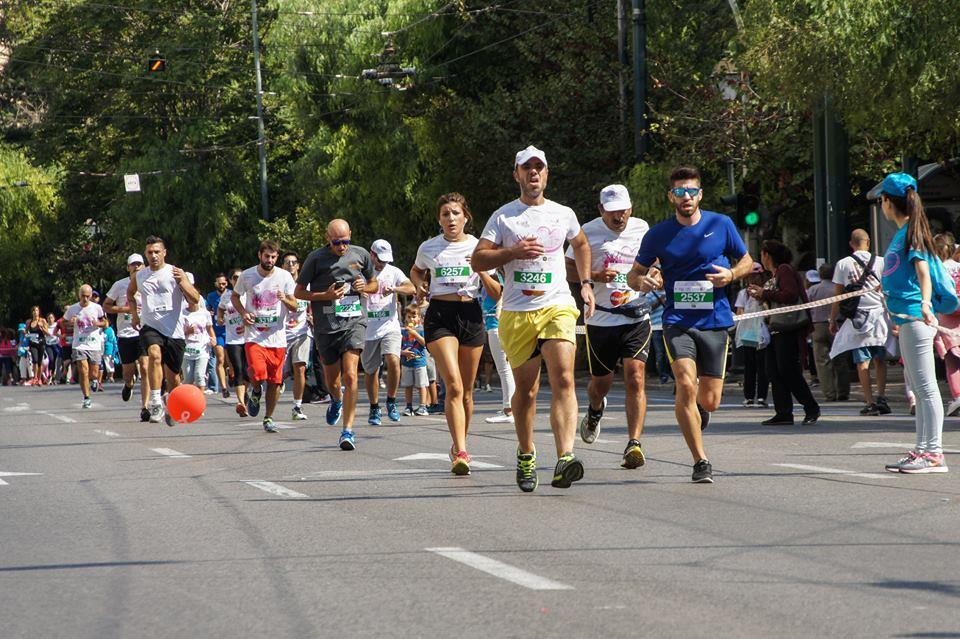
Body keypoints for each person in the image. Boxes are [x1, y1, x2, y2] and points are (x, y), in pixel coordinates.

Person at [472, 145, 596, 492]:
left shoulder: (563, 213)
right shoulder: (503, 217)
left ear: (546, 173)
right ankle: (526, 453)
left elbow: (582, 245)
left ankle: (565, 457)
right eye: (527, 168)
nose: (533, 173)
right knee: (526, 391)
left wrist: (585, 284)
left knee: (565, 379)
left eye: (539, 167)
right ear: (517, 174)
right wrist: (512, 252)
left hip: (557, 305)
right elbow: (477, 260)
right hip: (517, 312)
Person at [628, 165, 754, 483]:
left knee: (709, 399)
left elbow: (747, 260)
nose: (686, 197)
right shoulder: (657, 234)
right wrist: (645, 281)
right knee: (685, 383)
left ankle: (700, 409)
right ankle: (700, 461)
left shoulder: (721, 224)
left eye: (692, 191)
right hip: (677, 321)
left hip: (714, 321)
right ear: (672, 196)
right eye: (680, 192)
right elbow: (634, 275)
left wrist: (731, 275)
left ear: (700, 194)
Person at [412, 192, 501, 475]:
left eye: (455, 213)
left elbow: (496, 292)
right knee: (453, 384)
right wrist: (419, 285)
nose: (451, 219)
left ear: (466, 217)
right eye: (445, 214)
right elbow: (416, 271)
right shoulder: (429, 247)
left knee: (466, 392)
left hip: (471, 315)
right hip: (440, 316)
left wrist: (481, 270)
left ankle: (459, 443)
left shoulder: (480, 246)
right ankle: (461, 451)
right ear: (439, 219)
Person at [566, 184, 654, 469]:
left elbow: (656, 264)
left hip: (636, 316)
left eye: (624, 210)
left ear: (631, 208)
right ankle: (595, 410)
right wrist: (593, 275)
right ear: (601, 210)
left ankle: (634, 444)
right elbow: (565, 267)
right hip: (601, 318)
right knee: (600, 384)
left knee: (635, 376)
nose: (619, 217)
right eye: (613, 212)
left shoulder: (642, 228)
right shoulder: (586, 232)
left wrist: (656, 277)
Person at [879, 173, 950, 473]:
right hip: (907, 319)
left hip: (916, 318)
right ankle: (922, 450)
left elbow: (923, 272)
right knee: (920, 390)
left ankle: (933, 453)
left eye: (882, 200)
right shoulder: (904, 233)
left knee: (926, 387)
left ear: (888, 202)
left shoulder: (912, 234)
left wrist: (923, 304)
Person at [295, 219, 378, 450]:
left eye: (345, 241)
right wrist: (325, 295)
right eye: (336, 242)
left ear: (350, 235)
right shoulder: (316, 258)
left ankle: (347, 431)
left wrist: (365, 288)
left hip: (354, 322)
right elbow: (299, 292)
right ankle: (336, 399)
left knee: (351, 375)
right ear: (327, 238)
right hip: (327, 327)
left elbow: (374, 284)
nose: (342, 246)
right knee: (333, 380)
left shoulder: (361, 255)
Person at [128, 235, 201, 425]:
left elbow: (195, 299)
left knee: (174, 379)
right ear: (146, 254)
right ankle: (154, 400)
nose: (153, 256)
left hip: (174, 332)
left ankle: (171, 404)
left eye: (157, 252)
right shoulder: (140, 275)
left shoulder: (175, 273)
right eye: (150, 252)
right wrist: (135, 315)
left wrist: (183, 282)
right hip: (150, 327)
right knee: (154, 355)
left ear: (164, 253)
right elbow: (130, 293)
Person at [748, 239, 820, 426]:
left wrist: (764, 293)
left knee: (788, 370)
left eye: (763, 254)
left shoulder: (785, 270)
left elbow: (790, 294)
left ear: (768, 255)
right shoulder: (774, 275)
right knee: (774, 371)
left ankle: (811, 406)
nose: (761, 258)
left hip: (788, 328)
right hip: (775, 329)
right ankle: (783, 412)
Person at [232, 240, 299, 433]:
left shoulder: (285, 276)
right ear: (260, 255)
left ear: (277, 257)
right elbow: (236, 297)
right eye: (266, 256)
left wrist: (284, 298)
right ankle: (254, 390)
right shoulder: (247, 275)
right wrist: (244, 313)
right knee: (257, 371)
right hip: (254, 335)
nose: (270, 260)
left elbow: (295, 305)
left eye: (273, 257)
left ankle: (268, 417)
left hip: (277, 338)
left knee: (275, 381)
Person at [829, 229, 889, 415]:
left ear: (851, 244)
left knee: (862, 362)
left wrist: (833, 319)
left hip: (857, 318)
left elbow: (838, 295)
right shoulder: (882, 262)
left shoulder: (843, 264)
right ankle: (881, 397)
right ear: (868, 242)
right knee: (880, 359)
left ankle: (869, 401)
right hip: (880, 316)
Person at [361, 240, 415, 425]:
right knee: (371, 370)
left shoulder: (394, 271)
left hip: (389, 325)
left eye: (386, 260)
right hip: (367, 328)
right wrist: (361, 291)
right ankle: (374, 407)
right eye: (379, 259)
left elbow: (411, 288)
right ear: (372, 254)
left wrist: (396, 288)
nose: (382, 263)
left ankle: (391, 401)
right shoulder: (361, 271)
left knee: (393, 359)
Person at [104, 253, 151, 421]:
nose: (136, 267)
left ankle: (145, 407)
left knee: (145, 368)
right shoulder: (120, 285)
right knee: (128, 371)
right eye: (133, 264)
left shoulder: (149, 282)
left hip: (145, 331)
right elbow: (106, 306)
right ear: (128, 268)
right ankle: (129, 384)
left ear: (144, 266)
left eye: (139, 264)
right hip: (125, 333)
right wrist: (125, 310)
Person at [277, 252, 314, 421]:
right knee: (277, 374)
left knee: (300, 368)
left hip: (302, 332)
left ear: (298, 266)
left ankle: (297, 407)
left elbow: (312, 303)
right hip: (281, 333)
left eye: (293, 262)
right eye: (287, 262)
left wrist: (313, 317)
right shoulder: (277, 284)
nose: (291, 265)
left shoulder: (305, 286)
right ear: (283, 266)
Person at [806, 262, 850, 402]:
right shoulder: (838, 289)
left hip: (817, 325)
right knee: (840, 359)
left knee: (822, 361)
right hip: (837, 325)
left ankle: (829, 393)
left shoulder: (813, 290)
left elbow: (807, 308)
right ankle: (842, 391)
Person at [63, 284, 108, 408]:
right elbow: (63, 322)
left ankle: (94, 380)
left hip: (94, 344)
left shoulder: (97, 308)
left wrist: (98, 323)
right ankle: (86, 398)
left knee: (94, 373)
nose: (86, 299)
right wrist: (70, 322)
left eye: (88, 296)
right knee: (83, 370)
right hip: (79, 344)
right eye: (83, 296)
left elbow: (106, 323)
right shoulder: (72, 309)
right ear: (79, 295)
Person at [481, 273, 516, 424]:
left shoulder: (493, 276)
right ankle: (510, 408)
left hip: (496, 326)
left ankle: (509, 410)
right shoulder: (494, 276)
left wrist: (498, 311)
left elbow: (500, 294)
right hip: (494, 326)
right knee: (506, 368)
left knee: (504, 369)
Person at [932, 233, 960, 417]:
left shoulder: (935, 269)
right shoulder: (959, 267)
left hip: (945, 316)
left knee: (952, 362)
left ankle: (958, 395)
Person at [734, 263, 770, 407]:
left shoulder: (764, 292)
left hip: (755, 331)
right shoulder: (744, 293)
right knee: (757, 366)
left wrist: (759, 298)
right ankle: (756, 397)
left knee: (754, 366)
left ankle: (754, 397)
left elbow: (739, 313)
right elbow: (740, 312)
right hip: (753, 331)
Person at [218, 268, 249, 416]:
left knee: (249, 371)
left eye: (240, 277)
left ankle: (247, 392)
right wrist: (219, 318)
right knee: (238, 369)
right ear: (230, 280)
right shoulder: (227, 295)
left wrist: (247, 324)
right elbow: (220, 309)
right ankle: (241, 402)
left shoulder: (249, 293)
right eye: (235, 277)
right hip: (232, 339)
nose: (238, 280)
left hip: (249, 338)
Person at [400, 305, 430, 416]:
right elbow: (397, 346)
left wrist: (414, 333)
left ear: (419, 318)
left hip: (419, 362)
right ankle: (409, 406)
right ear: (405, 318)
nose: (411, 319)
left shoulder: (421, 330)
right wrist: (403, 352)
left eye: (414, 316)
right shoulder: (402, 331)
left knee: (421, 385)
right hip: (406, 362)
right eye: (409, 317)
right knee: (408, 385)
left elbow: (425, 343)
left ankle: (423, 406)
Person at [181, 300, 216, 392]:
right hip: (187, 350)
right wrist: (187, 332)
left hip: (202, 349)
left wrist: (213, 339)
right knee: (188, 379)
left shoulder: (205, 313)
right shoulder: (182, 313)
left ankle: (200, 403)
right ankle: (187, 402)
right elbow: (177, 332)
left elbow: (209, 328)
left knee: (199, 376)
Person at [205, 273, 230, 398]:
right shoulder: (211, 296)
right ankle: (224, 388)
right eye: (219, 283)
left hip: (231, 332)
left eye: (224, 283)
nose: (222, 286)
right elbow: (206, 310)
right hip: (217, 332)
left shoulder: (231, 294)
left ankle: (230, 374)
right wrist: (208, 312)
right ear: (216, 284)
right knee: (220, 359)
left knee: (229, 362)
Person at [25, 306, 48, 386]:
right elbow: (26, 332)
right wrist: (27, 335)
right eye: (34, 310)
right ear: (32, 312)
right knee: (34, 360)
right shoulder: (29, 322)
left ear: (39, 312)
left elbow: (47, 333)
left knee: (39, 362)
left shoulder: (43, 320)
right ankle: (35, 378)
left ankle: (39, 379)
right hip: (33, 343)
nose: (35, 312)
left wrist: (41, 327)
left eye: (37, 310)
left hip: (41, 342)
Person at [44, 312, 62, 385]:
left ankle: (54, 376)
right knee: (51, 359)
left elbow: (59, 333)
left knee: (56, 360)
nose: (50, 319)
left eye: (51, 318)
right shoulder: (46, 326)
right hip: (48, 344)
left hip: (56, 344)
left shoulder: (57, 325)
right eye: (48, 318)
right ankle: (50, 375)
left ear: (54, 318)